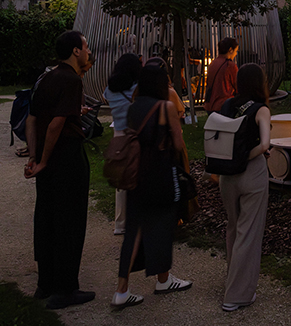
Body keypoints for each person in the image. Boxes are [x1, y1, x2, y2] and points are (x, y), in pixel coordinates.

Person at [24, 31, 95, 309]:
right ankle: (65, 290)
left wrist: (35, 157)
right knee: (70, 221)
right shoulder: (71, 79)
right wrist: (44, 159)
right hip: (65, 158)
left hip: (46, 158)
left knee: (47, 217)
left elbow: (32, 119)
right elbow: (55, 124)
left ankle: (46, 283)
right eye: (86, 47)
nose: (88, 52)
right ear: (76, 51)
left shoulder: (45, 78)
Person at [111, 63, 192, 308]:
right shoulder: (165, 106)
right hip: (159, 174)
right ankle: (163, 279)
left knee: (133, 233)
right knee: (162, 227)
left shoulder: (133, 108)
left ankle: (121, 291)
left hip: (136, 175)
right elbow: (178, 143)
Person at [218, 63, 272, 312]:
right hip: (252, 173)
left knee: (233, 228)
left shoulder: (227, 105)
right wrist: (247, 156)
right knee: (248, 233)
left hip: (227, 176)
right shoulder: (261, 109)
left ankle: (233, 279)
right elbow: (264, 145)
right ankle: (237, 295)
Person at [103, 53, 143, 236]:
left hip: (117, 136)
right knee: (138, 176)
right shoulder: (137, 89)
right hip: (134, 135)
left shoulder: (109, 90)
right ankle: (138, 221)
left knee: (121, 181)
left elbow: (106, 99)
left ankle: (120, 223)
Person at [204, 37, 239, 113]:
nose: (236, 54)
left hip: (210, 105)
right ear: (230, 50)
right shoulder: (229, 65)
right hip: (223, 105)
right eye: (236, 51)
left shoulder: (213, 63)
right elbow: (237, 85)